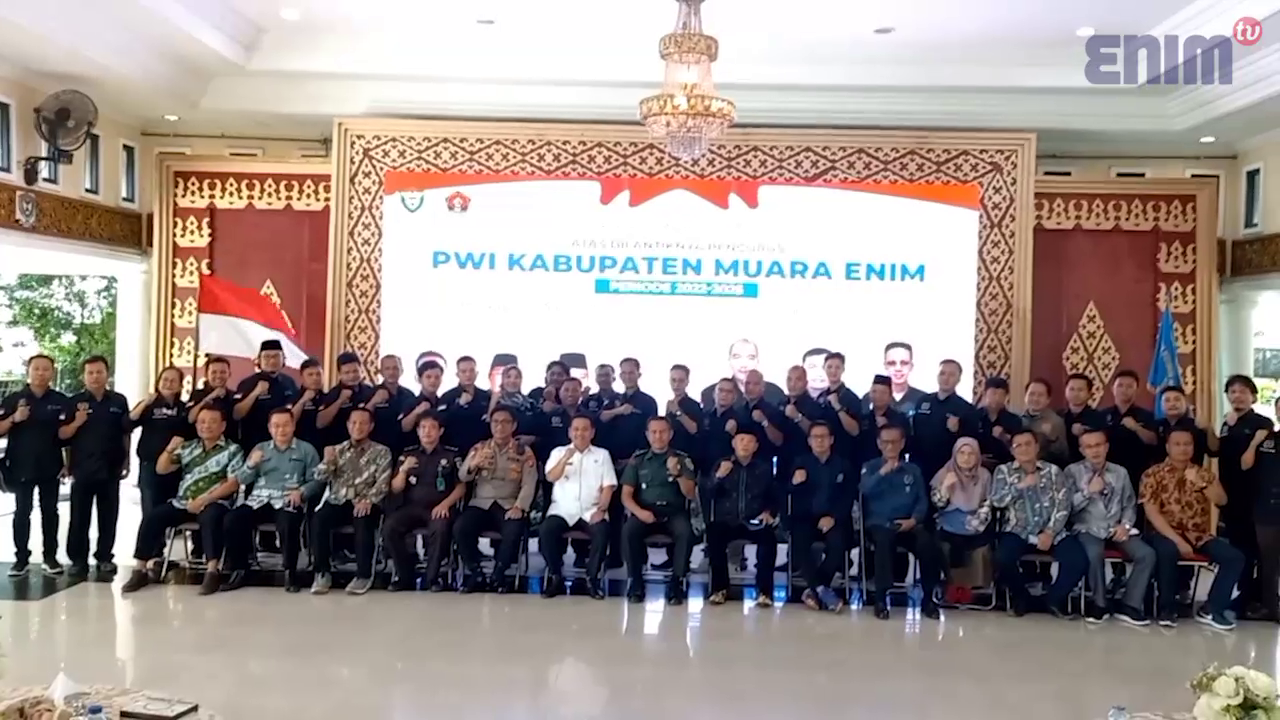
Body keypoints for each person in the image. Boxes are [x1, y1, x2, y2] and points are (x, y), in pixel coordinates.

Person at [120, 406, 244, 595]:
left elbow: (233, 484)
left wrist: (205, 499)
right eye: (202, 422)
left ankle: (212, 571)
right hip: (184, 502)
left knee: (211, 517)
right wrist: (169, 449)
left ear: (223, 426)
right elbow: (162, 469)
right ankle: (140, 569)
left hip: (215, 502)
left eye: (212, 422)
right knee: (154, 516)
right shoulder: (188, 447)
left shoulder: (233, 450)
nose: (206, 426)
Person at [1142, 428, 1241, 630]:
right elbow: (1152, 513)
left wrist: (1201, 483)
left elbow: (1222, 500)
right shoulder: (1153, 474)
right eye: (1177, 444)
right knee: (1168, 550)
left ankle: (1212, 608)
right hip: (1163, 533)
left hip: (1197, 534)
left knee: (1234, 557)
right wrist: (1178, 541)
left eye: (1187, 444)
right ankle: (1167, 608)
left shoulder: (1202, 473)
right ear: (1167, 447)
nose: (1183, 448)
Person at [989, 429, 1087, 617]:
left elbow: (1063, 504)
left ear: (1036, 447)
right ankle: (1022, 598)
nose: (1024, 449)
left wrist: (1050, 532)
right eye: (1018, 445)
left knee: (1078, 561)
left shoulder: (1053, 471)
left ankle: (1053, 599)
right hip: (1018, 530)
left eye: (1028, 444)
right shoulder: (1003, 471)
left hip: (1052, 531)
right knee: (1002, 559)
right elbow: (997, 501)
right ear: (1012, 450)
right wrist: (1021, 486)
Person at [223, 407, 319, 593]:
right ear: (269, 428)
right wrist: (251, 464)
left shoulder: (306, 450)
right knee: (232, 520)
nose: (281, 430)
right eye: (276, 426)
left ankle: (290, 571)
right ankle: (239, 570)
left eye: (285, 425)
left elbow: (316, 481)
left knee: (288, 522)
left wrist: (301, 492)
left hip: (288, 499)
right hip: (259, 500)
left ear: (293, 426)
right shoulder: (260, 449)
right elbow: (242, 479)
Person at [1064, 428, 1153, 625]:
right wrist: (1088, 492)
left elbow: (1129, 504)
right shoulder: (1072, 472)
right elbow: (1067, 507)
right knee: (1094, 554)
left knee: (1146, 554)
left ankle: (1130, 604)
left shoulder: (1120, 472)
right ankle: (1099, 603)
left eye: (1098, 445)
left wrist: (1125, 525)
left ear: (1106, 447)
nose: (1094, 450)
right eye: (1088, 447)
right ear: (1082, 450)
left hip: (1115, 526)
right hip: (1087, 527)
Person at [305, 407, 391, 596]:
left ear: (371, 426)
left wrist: (368, 500)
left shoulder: (381, 452)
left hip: (366, 501)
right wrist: (327, 460)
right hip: (339, 500)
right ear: (347, 425)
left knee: (363, 520)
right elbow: (320, 477)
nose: (358, 427)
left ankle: (363, 575)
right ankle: (322, 573)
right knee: (319, 518)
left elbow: (383, 483)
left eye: (363, 423)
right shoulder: (337, 450)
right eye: (354, 423)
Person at [0, 355, 70, 576]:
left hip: (51, 465)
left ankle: (50, 557)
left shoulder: (60, 400)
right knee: (22, 512)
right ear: (28, 371)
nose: (41, 373)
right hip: (21, 465)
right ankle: (21, 559)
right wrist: (14, 418)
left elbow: (68, 436)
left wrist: (68, 463)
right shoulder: (14, 399)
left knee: (51, 512)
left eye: (45, 369)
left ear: (52, 372)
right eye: (36, 368)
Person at [455, 406, 538, 593]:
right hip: (480, 503)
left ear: (514, 426)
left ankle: (499, 574)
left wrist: (519, 506)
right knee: (460, 527)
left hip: (508, 503)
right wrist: (474, 464)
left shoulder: (523, 452)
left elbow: (529, 483)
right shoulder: (479, 448)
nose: (500, 426)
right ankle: (475, 572)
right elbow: (463, 476)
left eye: (505, 422)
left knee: (514, 529)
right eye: (495, 422)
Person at [861, 424, 940, 620]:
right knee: (884, 542)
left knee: (927, 543)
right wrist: (882, 473)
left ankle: (928, 598)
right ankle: (881, 599)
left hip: (908, 524)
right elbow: (863, 491)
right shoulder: (870, 467)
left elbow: (922, 499)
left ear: (902, 443)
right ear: (879, 444)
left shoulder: (912, 470)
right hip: (879, 524)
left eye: (894, 442)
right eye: (885, 442)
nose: (890, 446)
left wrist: (914, 520)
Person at [63, 355, 131, 579]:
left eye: (99, 372)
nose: (95, 377)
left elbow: (126, 433)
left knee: (108, 516)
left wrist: (127, 460)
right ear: (83, 376)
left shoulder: (119, 401)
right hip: (82, 468)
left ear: (107, 374)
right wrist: (77, 422)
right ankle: (78, 560)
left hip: (111, 467)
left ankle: (104, 557)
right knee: (79, 517)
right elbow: (63, 436)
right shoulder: (74, 402)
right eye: (90, 373)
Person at [620, 416, 698, 605]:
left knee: (685, 533)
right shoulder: (638, 460)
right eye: (654, 432)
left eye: (662, 432)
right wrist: (639, 512)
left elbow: (690, 494)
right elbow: (626, 495)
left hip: (673, 512)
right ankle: (636, 582)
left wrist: (677, 473)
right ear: (647, 435)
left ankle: (676, 583)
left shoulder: (682, 458)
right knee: (629, 531)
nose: (658, 436)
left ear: (670, 434)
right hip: (645, 510)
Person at [382, 412, 463, 592]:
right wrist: (403, 471)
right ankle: (404, 576)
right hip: (411, 507)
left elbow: (461, 487)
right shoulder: (407, 454)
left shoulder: (451, 455)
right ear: (417, 431)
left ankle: (433, 578)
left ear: (440, 431)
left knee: (440, 528)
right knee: (390, 528)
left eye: (432, 427)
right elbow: (395, 488)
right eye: (423, 428)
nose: (427, 432)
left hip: (439, 507)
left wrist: (445, 504)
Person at [539, 415, 617, 600]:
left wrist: (602, 509)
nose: (580, 433)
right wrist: (565, 459)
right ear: (569, 432)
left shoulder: (602, 454)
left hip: (591, 509)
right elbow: (551, 477)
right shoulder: (559, 452)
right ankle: (556, 576)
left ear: (592, 432)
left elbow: (609, 486)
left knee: (602, 532)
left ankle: (592, 578)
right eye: (575, 429)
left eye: (584, 429)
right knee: (546, 530)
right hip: (562, 509)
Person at [1217, 374, 1273, 617]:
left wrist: (1251, 445)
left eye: (1242, 391)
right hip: (1230, 496)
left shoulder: (1262, 423)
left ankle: (1253, 597)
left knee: (1253, 549)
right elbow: (1218, 452)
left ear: (1253, 397)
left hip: (1254, 496)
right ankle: (1243, 594)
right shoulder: (1227, 422)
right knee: (1238, 547)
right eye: (1232, 391)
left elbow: (1249, 462)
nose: (1237, 396)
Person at [703, 432, 779, 608]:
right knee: (714, 536)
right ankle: (719, 588)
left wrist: (769, 512)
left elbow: (774, 496)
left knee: (768, 539)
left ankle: (764, 591)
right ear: (733, 443)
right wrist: (718, 477)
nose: (745, 444)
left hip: (754, 520)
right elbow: (708, 494)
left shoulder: (763, 469)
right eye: (741, 440)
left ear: (756, 446)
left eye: (750, 441)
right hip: (727, 520)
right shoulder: (723, 465)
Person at [790, 421, 856, 612]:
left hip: (834, 518)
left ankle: (815, 588)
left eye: (823, 437)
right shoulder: (800, 463)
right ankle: (820, 589)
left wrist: (833, 517)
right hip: (806, 518)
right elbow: (788, 494)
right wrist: (794, 483)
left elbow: (848, 496)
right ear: (809, 441)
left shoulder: (843, 465)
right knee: (799, 543)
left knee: (839, 544)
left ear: (831, 440)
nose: (819, 441)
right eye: (815, 437)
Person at [930, 437, 993, 601]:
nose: (966, 458)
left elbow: (988, 502)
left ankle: (973, 591)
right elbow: (938, 504)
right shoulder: (944, 473)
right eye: (962, 453)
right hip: (948, 523)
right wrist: (945, 487)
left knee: (981, 546)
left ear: (977, 456)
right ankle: (952, 589)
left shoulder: (984, 475)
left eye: (971, 454)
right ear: (954, 455)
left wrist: (977, 521)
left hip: (976, 524)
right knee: (946, 544)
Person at [128, 366, 188, 513]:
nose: (168, 384)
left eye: (173, 381)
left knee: (170, 511)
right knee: (150, 511)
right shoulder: (148, 405)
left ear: (180, 386)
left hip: (174, 466)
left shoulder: (183, 408)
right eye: (165, 380)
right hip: (150, 465)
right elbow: (128, 423)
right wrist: (144, 404)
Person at [911, 359, 978, 480]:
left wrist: (957, 431)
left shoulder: (966, 408)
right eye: (942, 373)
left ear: (959, 379)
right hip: (919, 465)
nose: (946, 378)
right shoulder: (923, 401)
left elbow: (970, 442)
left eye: (951, 375)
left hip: (948, 469)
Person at [230, 339, 299, 451]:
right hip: (254, 444)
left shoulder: (289, 382)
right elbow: (236, 414)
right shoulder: (247, 383)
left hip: (284, 444)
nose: (272, 360)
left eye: (276, 356)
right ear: (259, 360)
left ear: (283, 359)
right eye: (267, 357)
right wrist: (255, 393)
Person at [1246, 398, 1280, 621]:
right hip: (1267, 508)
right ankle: (1270, 607)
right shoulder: (1267, 439)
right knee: (1269, 562)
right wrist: (1253, 444)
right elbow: (1246, 465)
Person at [1100, 369, 1157, 497]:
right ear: (1112, 388)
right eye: (1120, 385)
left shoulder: (1147, 416)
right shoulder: (1102, 415)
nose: (1124, 390)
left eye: (1129, 386)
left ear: (1137, 390)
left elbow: (1154, 441)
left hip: (1138, 472)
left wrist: (1136, 428)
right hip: (1109, 473)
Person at [699, 338, 785, 408]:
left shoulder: (774, 393)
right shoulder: (710, 394)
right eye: (737, 357)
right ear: (729, 360)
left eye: (750, 358)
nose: (744, 364)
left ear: (757, 361)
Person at [316, 351, 375, 447]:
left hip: (366, 447)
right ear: (340, 374)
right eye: (347, 373)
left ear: (361, 370)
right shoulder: (333, 394)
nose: (352, 376)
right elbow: (320, 423)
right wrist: (340, 401)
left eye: (355, 371)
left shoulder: (370, 391)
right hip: (339, 446)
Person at [778, 365, 825, 478]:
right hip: (782, 461)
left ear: (805, 383)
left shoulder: (814, 406)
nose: (792, 384)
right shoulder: (781, 403)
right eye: (789, 379)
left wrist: (798, 417)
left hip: (805, 461)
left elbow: (818, 433)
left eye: (798, 380)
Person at [367, 355, 417, 459]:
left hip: (404, 450)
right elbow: (362, 418)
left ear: (401, 371)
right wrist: (373, 402)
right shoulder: (371, 393)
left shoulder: (409, 395)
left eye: (395, 368)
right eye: (387, 368)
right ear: (381, 372)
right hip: (378, 450)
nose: (391, 372)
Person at [439, 355, 491, 455]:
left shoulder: (486, 397)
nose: (468, 374)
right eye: (463, 371)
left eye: (471, 371)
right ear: (457, 374)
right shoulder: (447, 397)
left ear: (476, 373)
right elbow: (441, 423)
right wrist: (458, 405)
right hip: (454, 452)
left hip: (480, 452)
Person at [1153, 385, 1217, 466]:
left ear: (1186, 402)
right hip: (1161, 473)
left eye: (1177, 399)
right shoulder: (1155, 426)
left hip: (1192, 472)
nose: (1172, 404)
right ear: (1161, 405)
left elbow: (1214, 452)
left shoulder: (1197, 425)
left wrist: (1209, 429)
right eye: (1167, 400)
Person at [817, 352, 862, 465]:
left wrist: (837, 406)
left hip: (845, 455)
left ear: (843, 369)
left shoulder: (851, 398)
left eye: (837, 367)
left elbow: (855, 431)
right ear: (823, 368)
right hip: (822, 457)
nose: (833, 371)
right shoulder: (820, 397)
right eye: (829, 367)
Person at [187, 356, 237, 443]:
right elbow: (190, 419)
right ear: (206, 375)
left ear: (229, 374)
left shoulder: (234, 396)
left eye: (223, 372)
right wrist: (209, 398)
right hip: (199, 444)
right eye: (214, 372)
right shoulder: (197, 394)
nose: (218, 376)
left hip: (228, 444)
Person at [866, 342, 926, 414]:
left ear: (911, 366)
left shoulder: (923, 399)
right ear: (885, 366)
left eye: (904, 363)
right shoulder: (869, 399)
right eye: (892, 363)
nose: (898, 368)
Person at [861, 375, 909, 462]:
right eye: (874, 391)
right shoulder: (864, 418)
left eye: (883, 393)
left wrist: (888, 426)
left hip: (893, 465)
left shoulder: (900, 418)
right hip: (866, 465)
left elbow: (908, 446)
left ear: (890, 396)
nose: (878, 396)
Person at [1021, 378, 1069, 466]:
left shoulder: (1055, 421)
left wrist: (1049, 439)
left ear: (1048, 399)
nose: (1035, 398)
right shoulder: (1017, 419)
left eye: (1040, 395)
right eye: (1031, 394)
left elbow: (1063, 454)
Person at [1060, 373, 1105, 464]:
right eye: (1071, 389)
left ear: (1089, 393)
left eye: (1080, 390)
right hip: (1060, 465)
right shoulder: (1058, 416)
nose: (1075, 393)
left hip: (1087, 466)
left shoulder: (1098, 417)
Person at [976, 377, 1022, 467]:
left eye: (1001, 395)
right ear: (984, 394)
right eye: (993, 394)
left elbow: (1019, 449)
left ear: (1006, 397)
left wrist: (1004, 437)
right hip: (977, 465)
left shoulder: (1014, 420)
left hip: (1005, 466)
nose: (997, 398)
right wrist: (977, 457)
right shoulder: (974, 417)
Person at [666, 364, 703, 459]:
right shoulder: (670, 404)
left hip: (687, 455)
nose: (676, 385)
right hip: (670, 453)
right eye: (673, 380)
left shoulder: (693, 405)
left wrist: (678, 412)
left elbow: (694, 430)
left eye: (681, 381)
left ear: (687, 382)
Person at [291, 358, 326, 450]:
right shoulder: (293, 396)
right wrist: (303, 401)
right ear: (302, 377)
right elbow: (289, 421)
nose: (315, 378)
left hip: (323, 446)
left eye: (318, 374)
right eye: (310, 375)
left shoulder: (328, 397)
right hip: (299, 447)